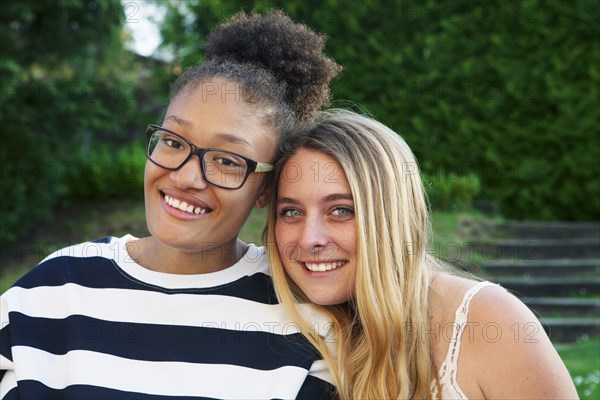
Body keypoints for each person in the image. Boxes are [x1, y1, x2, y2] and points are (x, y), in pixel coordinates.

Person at [0, 11, 341, 399]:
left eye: (227, 161)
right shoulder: (51, 292)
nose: (185, 177)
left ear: (265, 188)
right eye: (174, 142)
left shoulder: (306, 325)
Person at [265, 109, 578, 399]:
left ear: (393, 217)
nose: (310, 239)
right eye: (291, 212)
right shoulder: (284, 325)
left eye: (342, 210)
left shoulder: (486, 322)